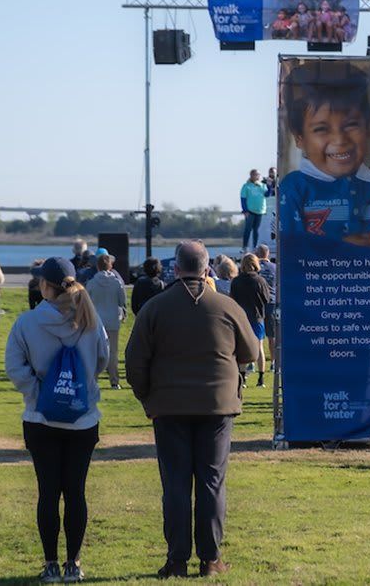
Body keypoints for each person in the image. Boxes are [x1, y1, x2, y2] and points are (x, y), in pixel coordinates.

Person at [125, 241, 259, 579]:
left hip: (168, 407)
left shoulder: (155, 308)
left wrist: (147, 398)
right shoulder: (226, 307)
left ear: (176, 268)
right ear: (207, 268)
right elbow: (251, 353)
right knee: (212, 482)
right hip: (218, 407)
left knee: (176, 484)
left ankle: (177, 559)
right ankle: (211, 559)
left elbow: (134, 361)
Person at [5, 257, 108, 583]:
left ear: (45, 285)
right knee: (75, 492)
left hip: (40, 420)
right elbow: (103, 359)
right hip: (83, 419)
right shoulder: (91, 319)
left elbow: (14, 366)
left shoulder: (27, 323)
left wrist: (40, 392)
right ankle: (73, 565)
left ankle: (50, 564)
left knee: (48, 492)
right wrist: (81, 387)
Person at [277, 64, 370, 247]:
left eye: (351, 125)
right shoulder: (294, 187)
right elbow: (293, 247)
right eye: (322, 129)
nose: (339, 140)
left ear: (368, 130)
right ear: (300, 138)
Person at [229, 254, 271, 388]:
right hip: (257, 317)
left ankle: (242, 378)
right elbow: (266, 299)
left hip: (241, 318)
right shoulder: (260, 281)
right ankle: (261, 379)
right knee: (259, 348)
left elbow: (232, 299)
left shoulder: (236, 281)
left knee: (242, 348)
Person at [85, 254, 127, 389]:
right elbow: (122, 301)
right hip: (113, 321)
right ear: (110, 266)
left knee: (96, 352)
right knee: (113, 352)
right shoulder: (117, 283)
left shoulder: (91, 283)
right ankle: (114, 381)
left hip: (97, 321)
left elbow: (86, 303)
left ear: (97, 266)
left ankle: (93, 380)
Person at [254, 245, 278, 369]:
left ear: (257, 254)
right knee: (271, 335)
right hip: (271, 302)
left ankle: (253, 363)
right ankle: (273, 362)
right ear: (267, 254)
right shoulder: (275, 268)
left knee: (257, 335)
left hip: (257, 304)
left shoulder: (254, 268)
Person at [240, 169, 268, 252]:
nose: (256, 176)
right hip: (250, 211)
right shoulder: (246, 186)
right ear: (251, 175)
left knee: (256, 230)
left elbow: (267, 194)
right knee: (248, 229)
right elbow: (243, 198)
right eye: (254, 174)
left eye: (258, 174)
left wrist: (269, 185)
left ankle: (255, 247)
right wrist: (245, 210)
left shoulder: (262, 185)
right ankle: (245, 246)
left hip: (259, 210)